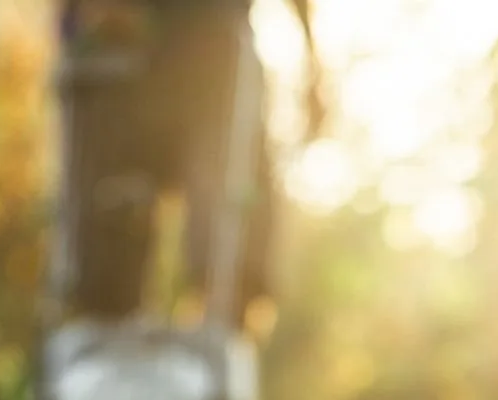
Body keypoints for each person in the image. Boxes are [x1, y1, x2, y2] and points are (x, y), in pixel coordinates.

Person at [49, 0, 325, 338]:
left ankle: (219, 327)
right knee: (113, 204)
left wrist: (313, 64)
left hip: (214, 49)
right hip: (120, 54)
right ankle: (102, 328)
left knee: (229, 208)